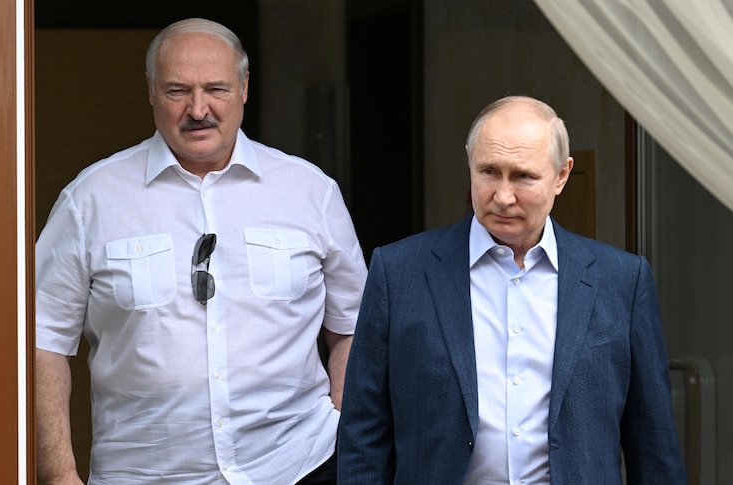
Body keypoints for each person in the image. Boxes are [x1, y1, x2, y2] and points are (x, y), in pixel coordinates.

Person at [35, 18, 368, 485]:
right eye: (177, 91)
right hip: (143, 474)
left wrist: (348, 440)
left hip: (299, 465)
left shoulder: (310, 191)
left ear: (245, 88)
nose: (198, 108)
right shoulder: (90, 200)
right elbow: (42, 340)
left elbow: (354, 327)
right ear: (150, 90)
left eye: (216, 88)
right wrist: (59, 475)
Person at [337, 95, 686, 484]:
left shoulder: (621, 280)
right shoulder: (399, 272)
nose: (503, 196)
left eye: (523, 176)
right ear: (469, 160)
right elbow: (363, 434)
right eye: (488, 171)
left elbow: (653, 447)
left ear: (562, 175)